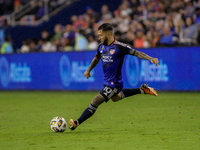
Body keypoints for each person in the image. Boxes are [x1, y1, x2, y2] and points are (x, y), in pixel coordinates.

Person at [69, 23, 159, 131]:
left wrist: (150, 58)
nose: (99, 37)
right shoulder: (101, 47)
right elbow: (97, 58)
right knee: (115, 98)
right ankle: (142, 90)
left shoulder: (119, 47)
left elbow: (136, 53)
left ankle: (76, 123)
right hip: (107, 82)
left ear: (108, 34)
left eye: (101, 35)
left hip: (115, 84)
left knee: (96, 101)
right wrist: (88, 70)